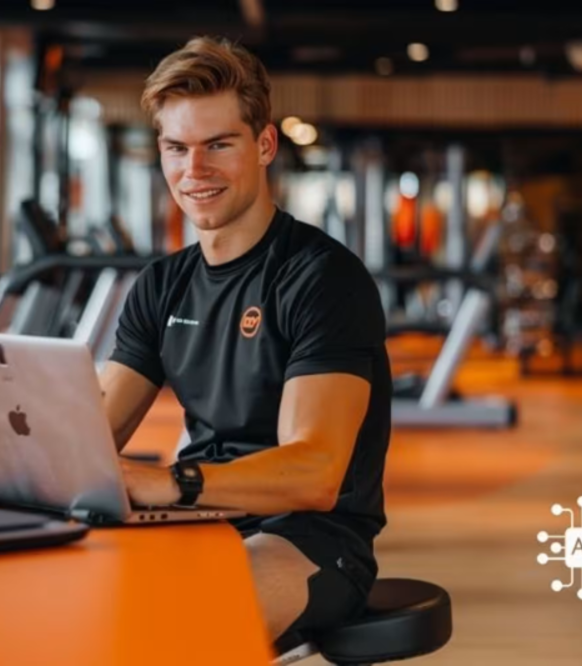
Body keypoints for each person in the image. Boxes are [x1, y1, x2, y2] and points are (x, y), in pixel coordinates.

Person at [99, 36, 392, 650]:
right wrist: (25, 462)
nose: (194, 171)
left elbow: (314, 472)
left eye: (218, 145)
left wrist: (173, 483)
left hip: (309, 539)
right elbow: (92, 434)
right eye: (176, 148)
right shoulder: (162, 285)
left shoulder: (321, 278)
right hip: (198, 520)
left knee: (187, 627)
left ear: (263, 145)